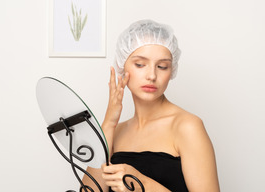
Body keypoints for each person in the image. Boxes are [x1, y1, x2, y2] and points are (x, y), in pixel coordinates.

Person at [82, 19, 220, 192]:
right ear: (122, 66)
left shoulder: (187, 126)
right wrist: (109, 122)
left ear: (172, 71)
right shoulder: (115, 131)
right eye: (140, 64)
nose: (152, 75)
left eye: (162, 66)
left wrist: (143, 184)